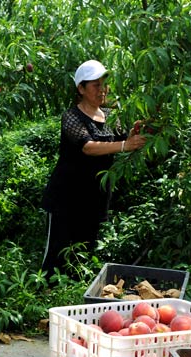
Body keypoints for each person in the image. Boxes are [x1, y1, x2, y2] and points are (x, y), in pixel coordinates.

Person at [41, 60, 146, 278]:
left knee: (86, 245)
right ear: (81, 89)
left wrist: (136, 132)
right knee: (58, 249)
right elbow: (88, 147)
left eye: (104, 84)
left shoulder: (109, 115)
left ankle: (76, 292)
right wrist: (125, 145)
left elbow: (123, 139)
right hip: (67, 195)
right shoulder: (72, 116)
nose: (102, 90)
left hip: (95, 194)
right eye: (95, 85)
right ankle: (48, 295)